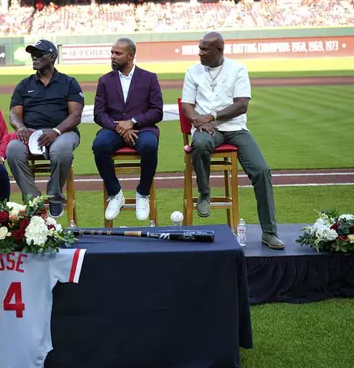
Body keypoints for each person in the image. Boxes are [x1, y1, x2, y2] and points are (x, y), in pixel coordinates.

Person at [181, 31, 284, 249]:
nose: (199, 52)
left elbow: (241, 105)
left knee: (262, 170)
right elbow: (187, 105)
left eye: (204, 49)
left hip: (235, 129)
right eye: (199, 48)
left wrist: (213, 116)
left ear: (219, 50)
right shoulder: (192, 71)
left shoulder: (237, 69)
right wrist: (199, 122)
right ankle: (205, 194)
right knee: (199, 144)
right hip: (207, 130)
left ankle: (269, 232)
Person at [6, 39, 84, 218]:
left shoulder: (68, 82)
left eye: (39, 54)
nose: (34, 56)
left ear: (52, 57)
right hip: (32, 133)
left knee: (62, 150)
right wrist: (21, 128)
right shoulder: (24, 85)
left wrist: (55, 131)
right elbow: (14, 114)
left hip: (63, 132)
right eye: (32, 53)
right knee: (13, 149)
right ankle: (34, 200)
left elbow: (75, 115)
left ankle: (55, 196)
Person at [92, 38, 164, 222]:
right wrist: (119, 126)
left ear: (131, 55)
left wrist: (132, 122)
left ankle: (142, 194)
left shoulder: (149, 78)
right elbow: (99, 114)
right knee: (99, 145)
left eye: (118, 53)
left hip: (143, 128)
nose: (113, 56)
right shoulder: (105, 80)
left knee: (149, 145)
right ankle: (116, 194)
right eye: (112, 52)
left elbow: (157, 111)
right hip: (114, 128)